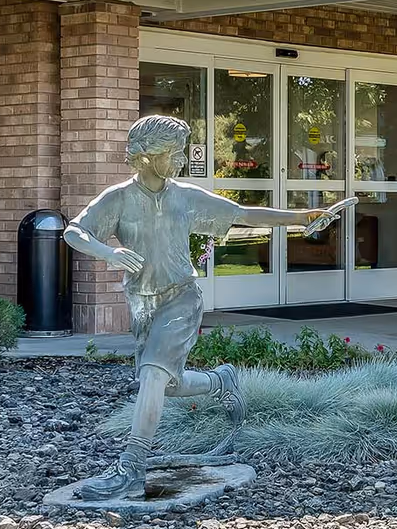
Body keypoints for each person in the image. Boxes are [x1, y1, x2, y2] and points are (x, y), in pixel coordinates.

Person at [64, 114, 351, 500]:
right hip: (143, 303)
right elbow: (74, 231)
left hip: (181, 298)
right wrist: (107, 251)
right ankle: (221, 381)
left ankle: (130, 469)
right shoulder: (117, 199)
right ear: (148, 156)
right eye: (174, 153)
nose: (181, 160)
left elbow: (244, 214)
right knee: (169, 383)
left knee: (151, 376)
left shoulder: (185, 196)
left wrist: (302, 217)